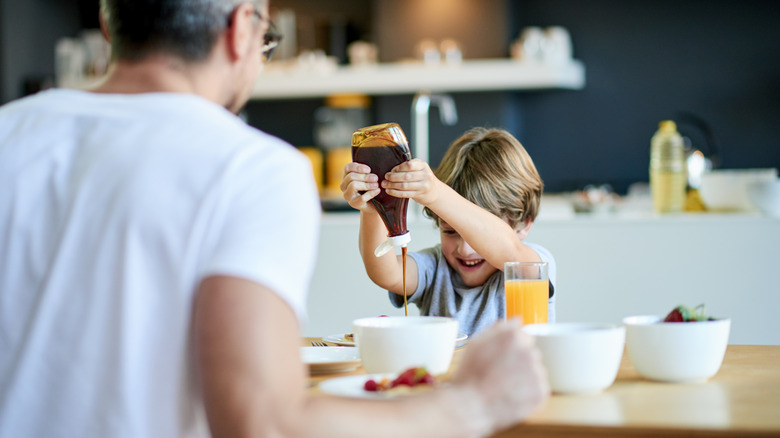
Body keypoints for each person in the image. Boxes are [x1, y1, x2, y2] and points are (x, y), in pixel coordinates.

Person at [0, 1, 549, 437]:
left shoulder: (9, 133)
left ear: (106, 23)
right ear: (242, 29)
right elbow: (265, 423)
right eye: (267, 37)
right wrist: (471, 407)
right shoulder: (251, 168)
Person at [341, 127, 556, 336]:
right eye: (450, 231)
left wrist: (436, 194)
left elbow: (510, 251)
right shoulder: (435, 267)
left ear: (524, 224)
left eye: (477, 237)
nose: (466, 249)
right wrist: (374, 209)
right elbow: (385, 272)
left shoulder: (533, 268)